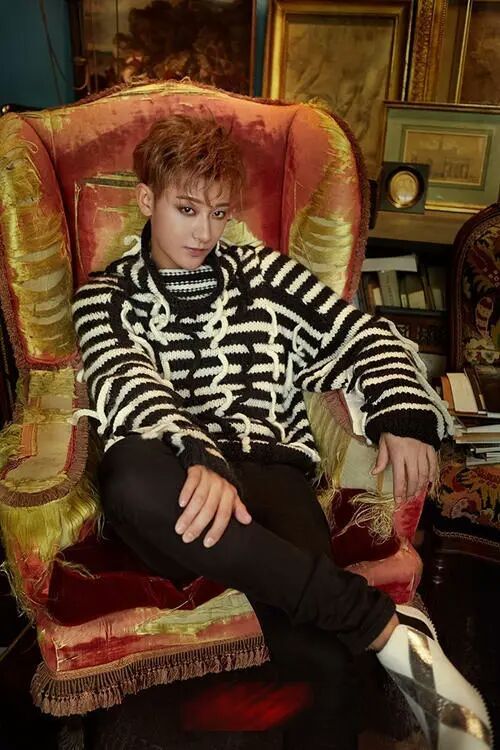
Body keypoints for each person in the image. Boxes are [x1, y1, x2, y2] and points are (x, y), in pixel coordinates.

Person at [72, 114, 492, 750]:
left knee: (320, 662)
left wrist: (402, 412)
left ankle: (355, 638)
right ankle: (386, 628)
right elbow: (126, 379)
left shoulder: (264, 274)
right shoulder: (105, 295)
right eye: (187, 210)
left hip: (272, 469)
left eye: (218, 213)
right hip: (173, 475)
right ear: (147, 200)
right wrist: (199, 453)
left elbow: (360, 334)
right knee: (129, 477)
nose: (204, 232)